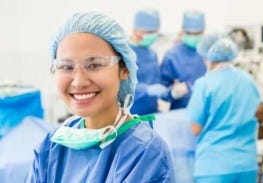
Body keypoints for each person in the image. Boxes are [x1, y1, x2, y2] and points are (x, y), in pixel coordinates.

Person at [25, 12, 176, 182]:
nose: (79, 81)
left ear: (124, 69)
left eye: (95, 65)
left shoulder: (144, 152)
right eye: (66, 67)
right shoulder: (51, 148)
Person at [187, 33, 260, 183]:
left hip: (215, 166)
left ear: (207, 57)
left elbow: (195, 128)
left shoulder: (205, 83)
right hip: (246, 164)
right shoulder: (248, 80)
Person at [160, 10, 207, 110]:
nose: (193, 36)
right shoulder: (172, 55)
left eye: (197, 33)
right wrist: (173, 93)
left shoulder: (210, 53)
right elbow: (162, 90)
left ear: (203, 32)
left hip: (207, 110)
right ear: (182, 31)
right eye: (189, 33)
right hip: (181, 112)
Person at [129, 8, 169, 114]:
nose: (152, 35)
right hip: (132, 112)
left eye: (155, 32)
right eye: (149, 32)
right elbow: (122, 85)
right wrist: (146, 89)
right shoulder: (125, 53)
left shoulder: (152, 53)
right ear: (136, 30)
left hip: (152, 111)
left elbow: (157, 81)